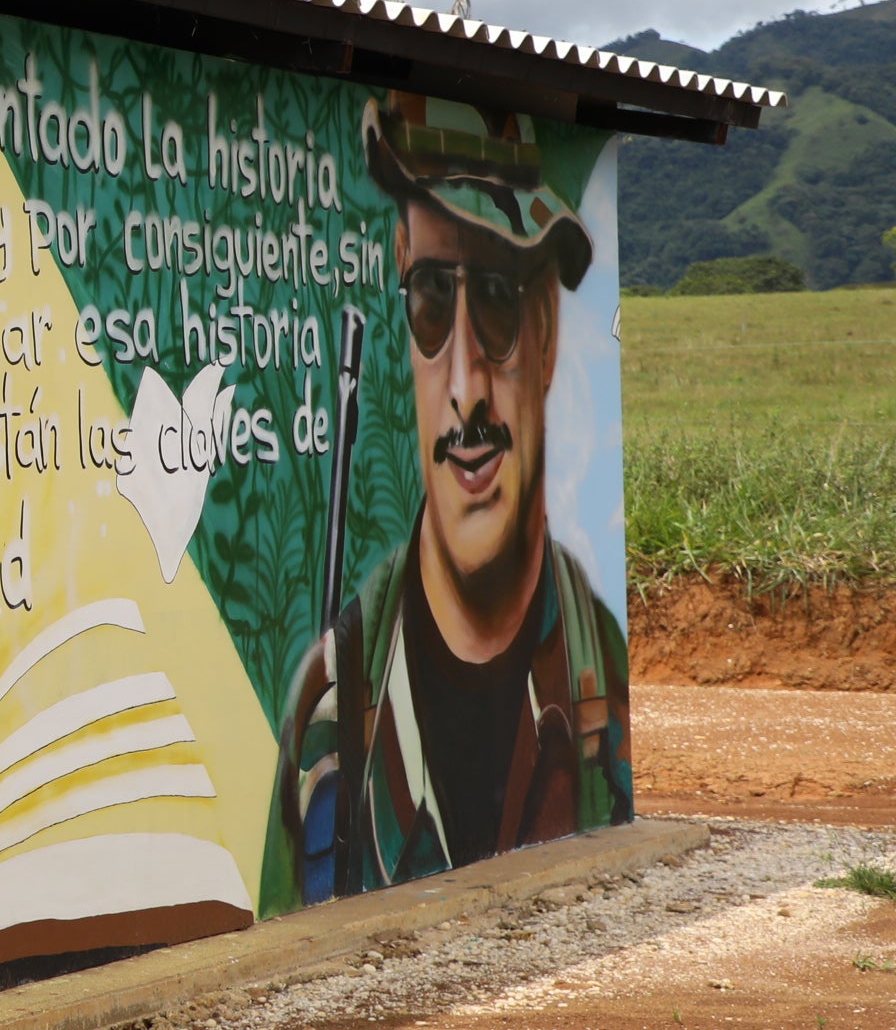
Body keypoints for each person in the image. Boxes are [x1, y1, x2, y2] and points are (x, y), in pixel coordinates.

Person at [264, 95, 631, 909]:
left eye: (497, 300)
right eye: (432, 299)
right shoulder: (330, 714)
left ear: (546, 331)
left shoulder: (596, 664)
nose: (464, 388)